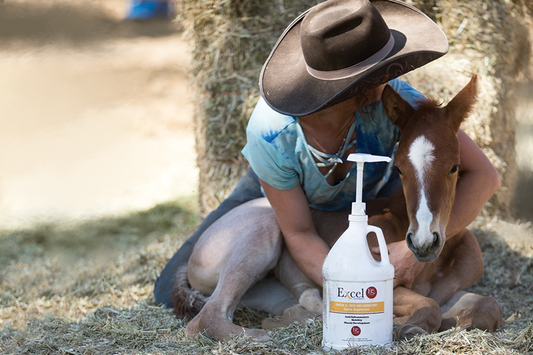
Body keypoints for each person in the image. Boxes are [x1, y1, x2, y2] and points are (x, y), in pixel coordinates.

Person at [154, 0, 501, 309]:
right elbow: (301, 232)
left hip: (364, 194)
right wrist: (357, 289)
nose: (390, 78)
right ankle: (290, 293)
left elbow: (484, 175)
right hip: (278, 188)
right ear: (354, 89)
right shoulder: (271, 135)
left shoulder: (394, 101)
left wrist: (414, 251)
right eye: (381, 73)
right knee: (169, 287)